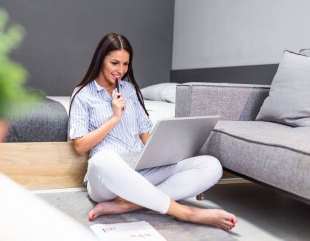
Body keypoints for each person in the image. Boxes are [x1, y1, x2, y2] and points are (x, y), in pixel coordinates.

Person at [68, 33, 237, 231]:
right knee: (102, 160)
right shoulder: (82, 94)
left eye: (125, 64)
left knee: (211, 165)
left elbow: (144, 133)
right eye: (115, 63)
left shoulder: (131, 90)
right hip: (107, 179)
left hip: (141, 169)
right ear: (100, 60)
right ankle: (185, 212)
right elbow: (80, 146)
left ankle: (129, 204)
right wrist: (114, 118)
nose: (120, 71)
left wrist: (162, 154)